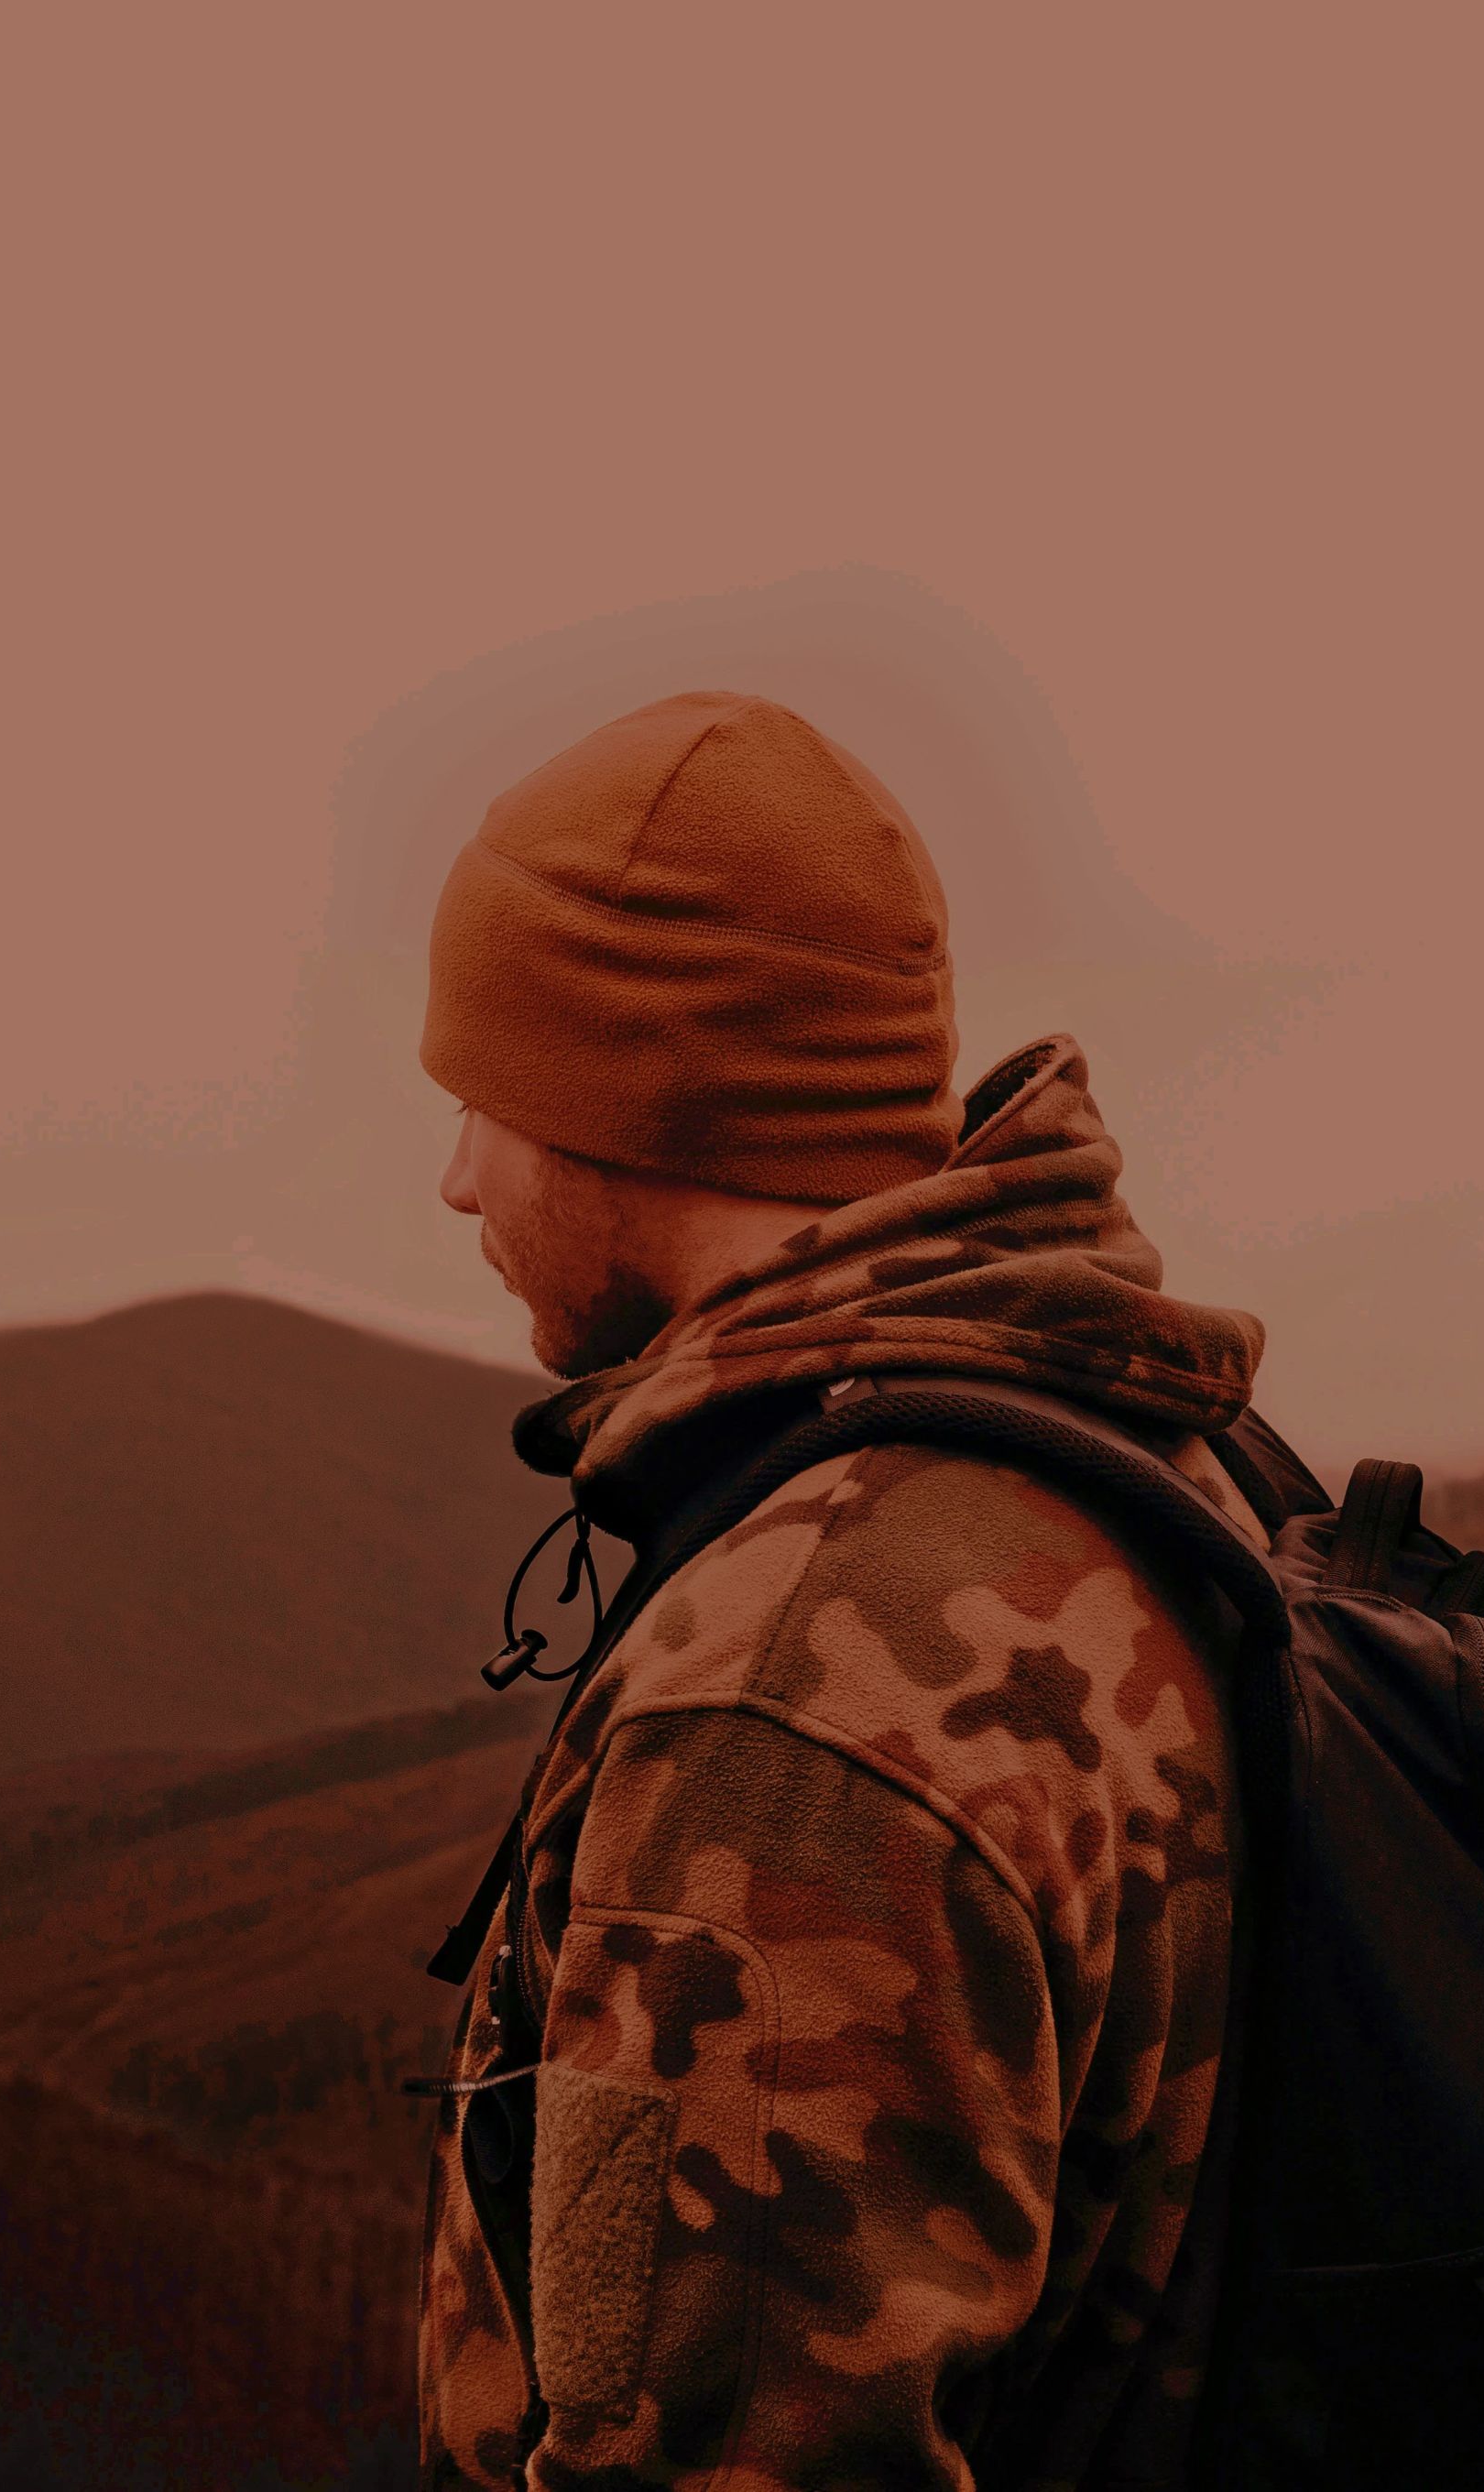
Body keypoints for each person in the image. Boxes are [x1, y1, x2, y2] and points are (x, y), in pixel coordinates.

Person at [412, 688, 1275, 2490]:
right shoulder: (1147, 1463)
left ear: (632, 1090)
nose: (454, 1177)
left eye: (482, 1097)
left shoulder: (793, 1693)